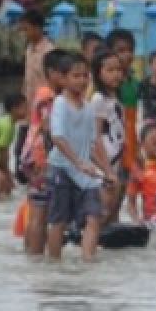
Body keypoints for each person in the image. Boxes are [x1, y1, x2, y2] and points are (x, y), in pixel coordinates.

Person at [45, 53, 117, 262]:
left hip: (85, 173)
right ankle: (54, 265)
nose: (82, 80)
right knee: (59, 221)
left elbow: (93, 145)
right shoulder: (60, 102)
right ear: (64, 79)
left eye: (86, 76)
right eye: (76, 76)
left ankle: (88, 263)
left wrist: (108, 171)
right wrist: (78, 162)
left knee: (94, 216)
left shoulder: (88, 107)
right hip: (61, 168)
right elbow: (57, 137)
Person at [21, 49, 70, 255]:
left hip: (33, 156)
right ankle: (36, 256)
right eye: (65, 74)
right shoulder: (49, 97)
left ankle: (32, 257)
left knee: (36, 210)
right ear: (51, 73)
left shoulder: (43, 93)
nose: (69, 79)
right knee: (40, 214)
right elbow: (51, 129)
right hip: (42, 158)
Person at [88, 48, 128, 223]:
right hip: (104, 163)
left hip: (116, 159)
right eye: (110, 70)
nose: (116, 75)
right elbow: (94, 136)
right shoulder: (98, 99)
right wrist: (106, 169)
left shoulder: (116, 98)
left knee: (113, 210)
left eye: (118, 70)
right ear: (98, 73)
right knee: (102, 212)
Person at [107, 29, 141, 173]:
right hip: (111, 146)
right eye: (120, 50)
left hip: (132, 144)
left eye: (130, 50)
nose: (126, 55)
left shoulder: (135, 82)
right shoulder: (105, 85)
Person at [18, 9, 54, 106]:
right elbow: (27, 79)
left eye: (26, 29)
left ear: (37, 28)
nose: (24, 33)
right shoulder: (29, 49)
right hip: (29, 104)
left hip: (43, 104)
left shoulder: (49, 52)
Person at [0, 94, 28, 199]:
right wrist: (7, 174)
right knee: (1, 181)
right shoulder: (7, 126)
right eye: (24, 107)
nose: (27, 110)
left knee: (7, 187)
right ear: (14, 109)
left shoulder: (10, 123)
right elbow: (3, 152)